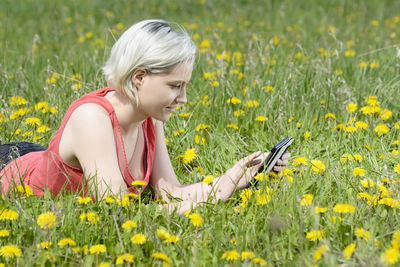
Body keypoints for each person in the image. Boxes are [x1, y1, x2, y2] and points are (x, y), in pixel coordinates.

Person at [0, 19, 290, 214]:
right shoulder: (91, 119)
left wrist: (236, 176)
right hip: (11, 168)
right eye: (175, 86)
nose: (184, 98)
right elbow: (117, 212)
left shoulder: (149, 118)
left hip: (41, 160)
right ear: (139, 77)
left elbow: (171, 195)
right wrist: (221, 189)